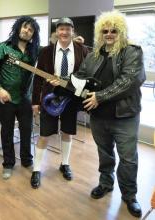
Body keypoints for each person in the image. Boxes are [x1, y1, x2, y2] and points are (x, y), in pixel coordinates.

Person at [74, 10, 145, 218]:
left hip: (125, 117)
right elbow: (81, 76)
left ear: (121, 31)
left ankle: (129, 195)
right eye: (105, 30)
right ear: (100, 32)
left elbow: (129, 81)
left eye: (114, 30)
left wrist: (100, 97)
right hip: (98, 116)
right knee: (104, 153)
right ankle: (106, 183)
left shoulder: (132, 51)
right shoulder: (94, 54)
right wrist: (64, 81)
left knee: (128, 159)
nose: (109, 34)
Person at [31, 17, 88, 188]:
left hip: (71, 99)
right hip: (50, 99)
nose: (64, 32)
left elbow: (86, 75)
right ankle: (36, 169)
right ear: (56, 32)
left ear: (73, 31)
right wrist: (35, 101)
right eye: (61, 29)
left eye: (67, 29)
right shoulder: (46, 51)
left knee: (67, 132)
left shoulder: (82, 50)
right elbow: (38, 78)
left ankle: (65, 164)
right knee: (44, 134)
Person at [0, 16, 40, 179]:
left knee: (27, 130)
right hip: (6, 99)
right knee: (7, 131)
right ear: (18, 28)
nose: (27, 31)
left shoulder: (34, 51)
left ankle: (26, 160)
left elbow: (51, 51)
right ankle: (8, 163)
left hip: (26, 98)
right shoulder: (2, 48)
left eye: (31, 30)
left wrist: (76, 41)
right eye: (25, 27)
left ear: (33, 34)